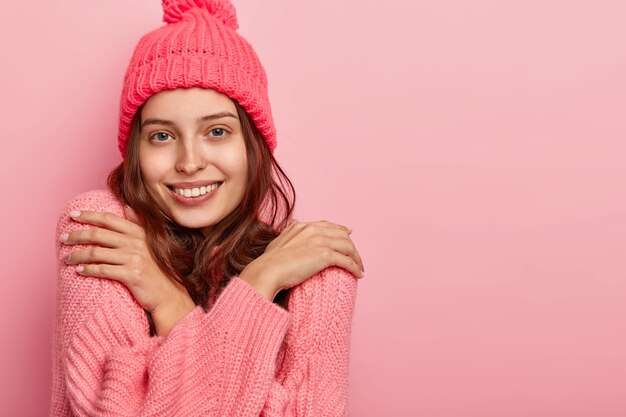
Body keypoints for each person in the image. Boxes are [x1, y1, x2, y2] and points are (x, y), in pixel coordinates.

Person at [49, 0, 364, 415]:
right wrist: (254, 293)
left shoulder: (314, 268)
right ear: (135, 151)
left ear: (254, 146)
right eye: (162, 136)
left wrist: (176, 304)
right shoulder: (102, 230)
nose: (190, 162)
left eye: (217, 131)